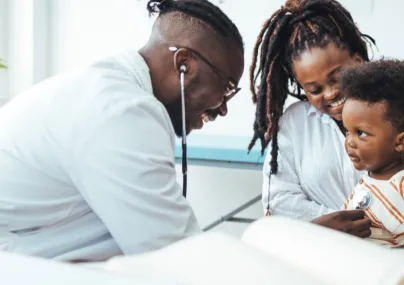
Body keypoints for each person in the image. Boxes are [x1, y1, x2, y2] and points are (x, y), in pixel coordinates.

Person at [0, 0, 244, 261]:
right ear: (183, 63)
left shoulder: (106, 89)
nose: (223, 108)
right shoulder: (124, 111)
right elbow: (173, 255)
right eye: (227, 86)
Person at [249, 0, 404, 245]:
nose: (329, 94)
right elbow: (279, 201)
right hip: (332, 258)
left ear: (357, 62)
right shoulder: (295, 125)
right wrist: (339, 225)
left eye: (337, 78)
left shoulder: (402, 113)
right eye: (314, 89)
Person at [340, 59, 404, 247]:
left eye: (361, 133)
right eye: (347, 131)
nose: (349, 142)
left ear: (401, 141)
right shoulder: (377, 177)